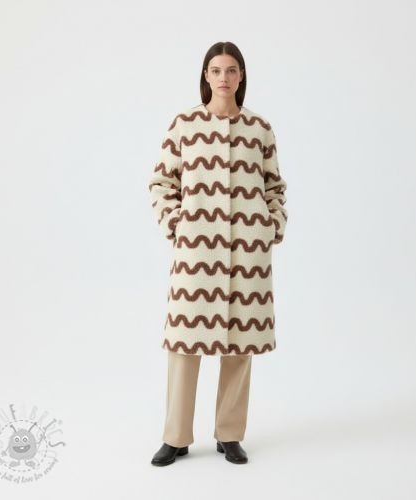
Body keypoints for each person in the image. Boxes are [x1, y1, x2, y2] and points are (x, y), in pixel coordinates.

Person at [148, 41, 288, 466]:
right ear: (205, 76)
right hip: (196, 253)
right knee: (184, 344)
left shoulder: (259, 129)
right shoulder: (185, 125)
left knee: (239, 347)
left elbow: (274, 187)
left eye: (231, 70)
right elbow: (162, 183)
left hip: (247, 254)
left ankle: (230, 435)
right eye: (215, 70)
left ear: (241, 76)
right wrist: (178, 226)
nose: (223, 77)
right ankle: (176, 437)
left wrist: (271, 226)